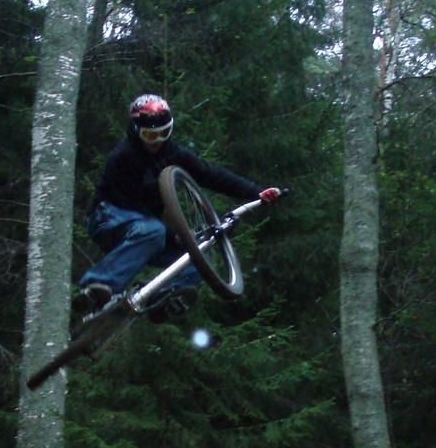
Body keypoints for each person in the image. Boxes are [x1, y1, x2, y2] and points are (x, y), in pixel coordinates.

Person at [76, 93, 282, 322]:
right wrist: (175, 233)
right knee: (155, 231)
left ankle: (161, 299)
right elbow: (131, 202)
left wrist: (256, 192)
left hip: (143, 227)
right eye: (150, 135)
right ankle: (97, 286)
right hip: (108, 216)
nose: (157, 141)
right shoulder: (124, 156)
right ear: (136, 131)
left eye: (164, 133)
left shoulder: (173, 153)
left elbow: (210, 175)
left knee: (197, 255)